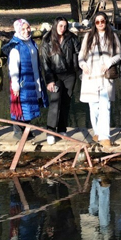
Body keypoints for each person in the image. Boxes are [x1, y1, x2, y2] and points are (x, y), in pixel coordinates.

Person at [79, 12, 121, 147]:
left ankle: (105, 136)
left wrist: (109, 62)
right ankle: (97, 132)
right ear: (94, 23)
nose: (100, 24)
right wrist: (83, 65)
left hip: (105, 76)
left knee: (105, 106)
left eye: (102, 21)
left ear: (106, 21)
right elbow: (81, 55)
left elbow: (119, 55)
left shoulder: (113, 36)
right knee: (94, 107)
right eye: (97, 22)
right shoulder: (88, 36)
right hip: (91, 76)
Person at [4, 19, 48, 139]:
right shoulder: (16, 46)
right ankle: (18, 132)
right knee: (21, 105)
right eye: (23, 29)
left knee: (29, 105)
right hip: (22, 81)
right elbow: (13, 67)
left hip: (33, 78)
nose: (26, 31)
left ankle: (26, 130)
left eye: (28, 27)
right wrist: (15, 85)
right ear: (18, 30)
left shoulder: (31, 42)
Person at [41, 17, 81, 145]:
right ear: (55, 25)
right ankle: (50, 131)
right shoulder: (47, 40)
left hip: (70, 75)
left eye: (65, 26)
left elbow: (80, 54)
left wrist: (80, 71)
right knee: (55, 102)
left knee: (66, 102)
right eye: (60, 26)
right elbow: (45, 63)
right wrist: (50, 80)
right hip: (55, 76)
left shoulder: (72, 38)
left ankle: (62, 129)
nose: (62, 29)